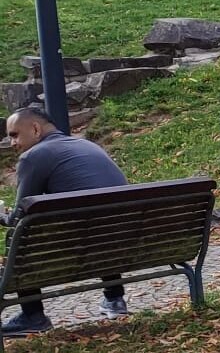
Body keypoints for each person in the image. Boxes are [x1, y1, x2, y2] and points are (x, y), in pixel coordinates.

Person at [2, 104, 131, 335]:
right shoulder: (87, 145)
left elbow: (19, 216)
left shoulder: (33, 156)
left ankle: (33, 315)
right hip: (125, 239)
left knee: (19, 238)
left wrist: (3, 217)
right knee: (101, 220)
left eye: (14, 135)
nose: (12, 143)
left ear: (35, 128)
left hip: (79, 247)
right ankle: (114, 298)